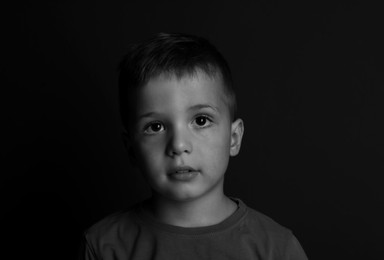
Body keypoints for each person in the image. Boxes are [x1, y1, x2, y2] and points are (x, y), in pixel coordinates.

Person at [79, 32, 308, 260]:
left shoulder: (277, 248)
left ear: (234, 138)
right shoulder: (103, 246)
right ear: (131, 149)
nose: (178, 145)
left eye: (201, 120)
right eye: (156, 126)